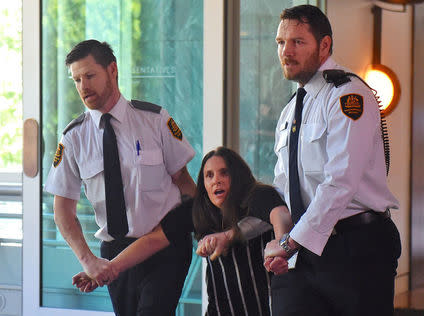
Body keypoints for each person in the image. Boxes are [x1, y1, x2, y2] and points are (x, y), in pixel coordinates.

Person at [263, 5, 401, 316]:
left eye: (298, 42)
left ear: (324, 45)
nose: (286, 51)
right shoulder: (290, 110)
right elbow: (284, 187)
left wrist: (290, 244)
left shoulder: (348, 95)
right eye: (280, 42)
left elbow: (341, 181)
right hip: (303, 251)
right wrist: (283, 242)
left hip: (356, 249)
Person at [44, 39, 197, 316]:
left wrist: (207, 226)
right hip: (114, 250)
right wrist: (89, 261)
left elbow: (184, 182)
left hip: (164, 244)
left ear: (112, 70)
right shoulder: (73, 138)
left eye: (90, 76)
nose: (83, 86)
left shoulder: (155, 120)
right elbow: (63, 212)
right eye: (77, 79)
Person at [72, 146, 293, 316]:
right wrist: (107, 269)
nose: (216, 180)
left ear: (238, 176)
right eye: (209, 175)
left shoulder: (258, 195)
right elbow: (152, 240)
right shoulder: (198, 210)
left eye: (224, 173)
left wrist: (280, 247)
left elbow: (280, 215)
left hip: (268, 309)